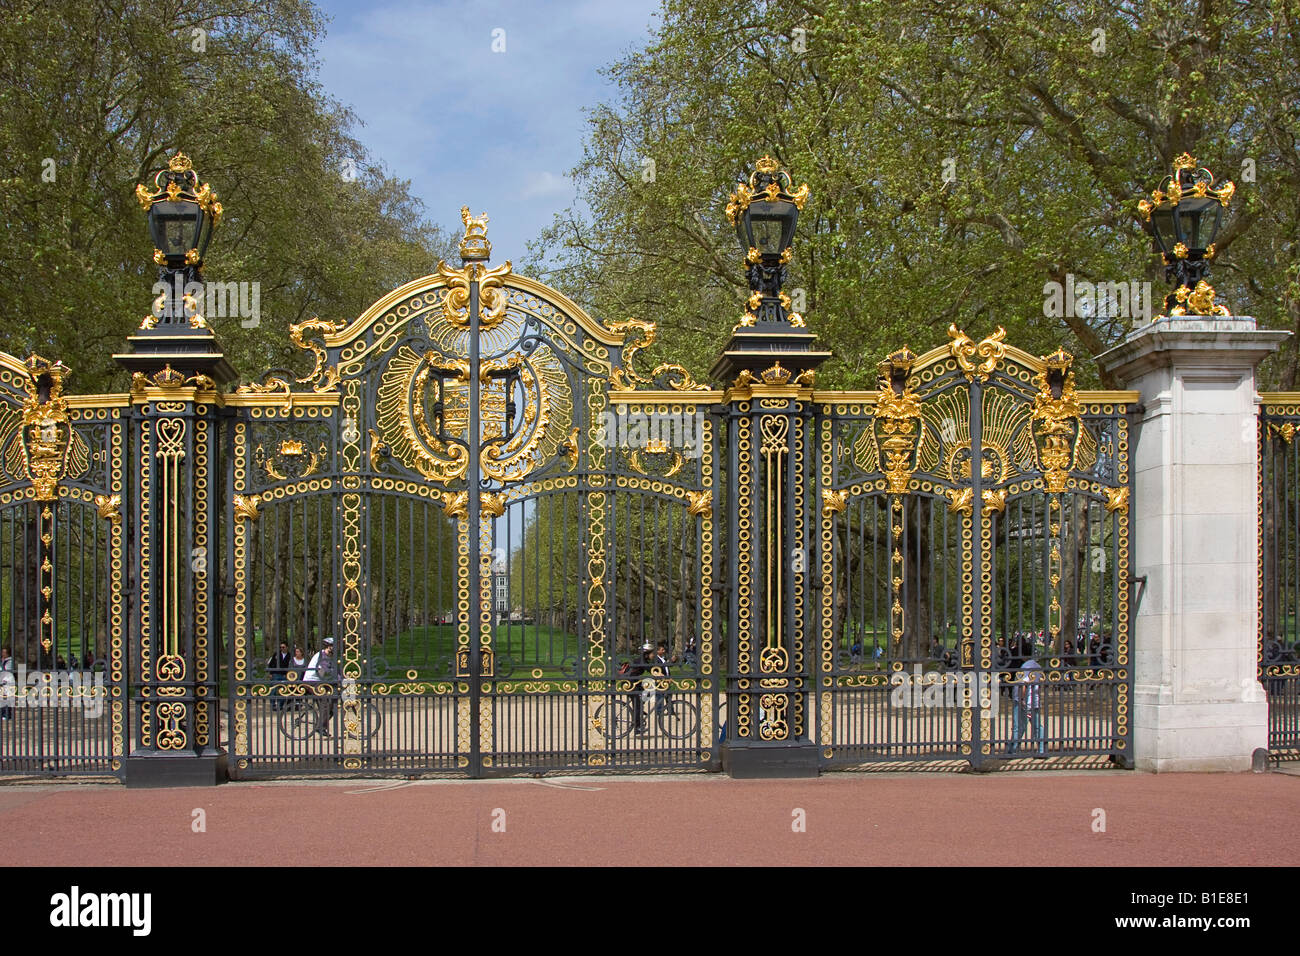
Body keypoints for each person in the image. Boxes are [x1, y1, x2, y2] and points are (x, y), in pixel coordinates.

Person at [1008, 657, 1045, 756]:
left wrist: (1021, 699)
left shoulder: (1026, 667)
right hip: (1035, 701)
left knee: (1018, 726)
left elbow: (1024, 684)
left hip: (1025, 702)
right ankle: (1041, 750)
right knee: (1037, 726)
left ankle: (1012, 749)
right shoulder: (1038, 667)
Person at [303, 638, 336, 735]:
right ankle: (320, 727)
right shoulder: (322, 655)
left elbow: (335, 669)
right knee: (325, 703)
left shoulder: (329, 656)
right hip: (311, 681)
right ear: (328, 647)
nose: (335, 648)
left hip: (319, 682)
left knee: (332, 705)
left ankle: (320, 725)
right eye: (333, 646)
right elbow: (327, 669)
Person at [267, 642, 292, 710]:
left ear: (287, 647)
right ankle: (273, 705)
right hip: (275, 674)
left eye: (283, 647)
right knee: (273, 690)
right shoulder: (276, 654)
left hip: (284, 675)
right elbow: (271, 663)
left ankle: (280, 705)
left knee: (283, 690)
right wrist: (270, 673)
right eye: (280, 647)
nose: (282, 649)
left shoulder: (290, 655)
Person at [0, 645, 14, 720]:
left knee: (7, 698)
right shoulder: (3, 660)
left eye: (4, 652)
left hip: (7, 681)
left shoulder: (9, 661)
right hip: (2, 681)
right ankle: (2, 713)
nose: (3, 653)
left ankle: (7, 714)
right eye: (2, 652)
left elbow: (7, 670)